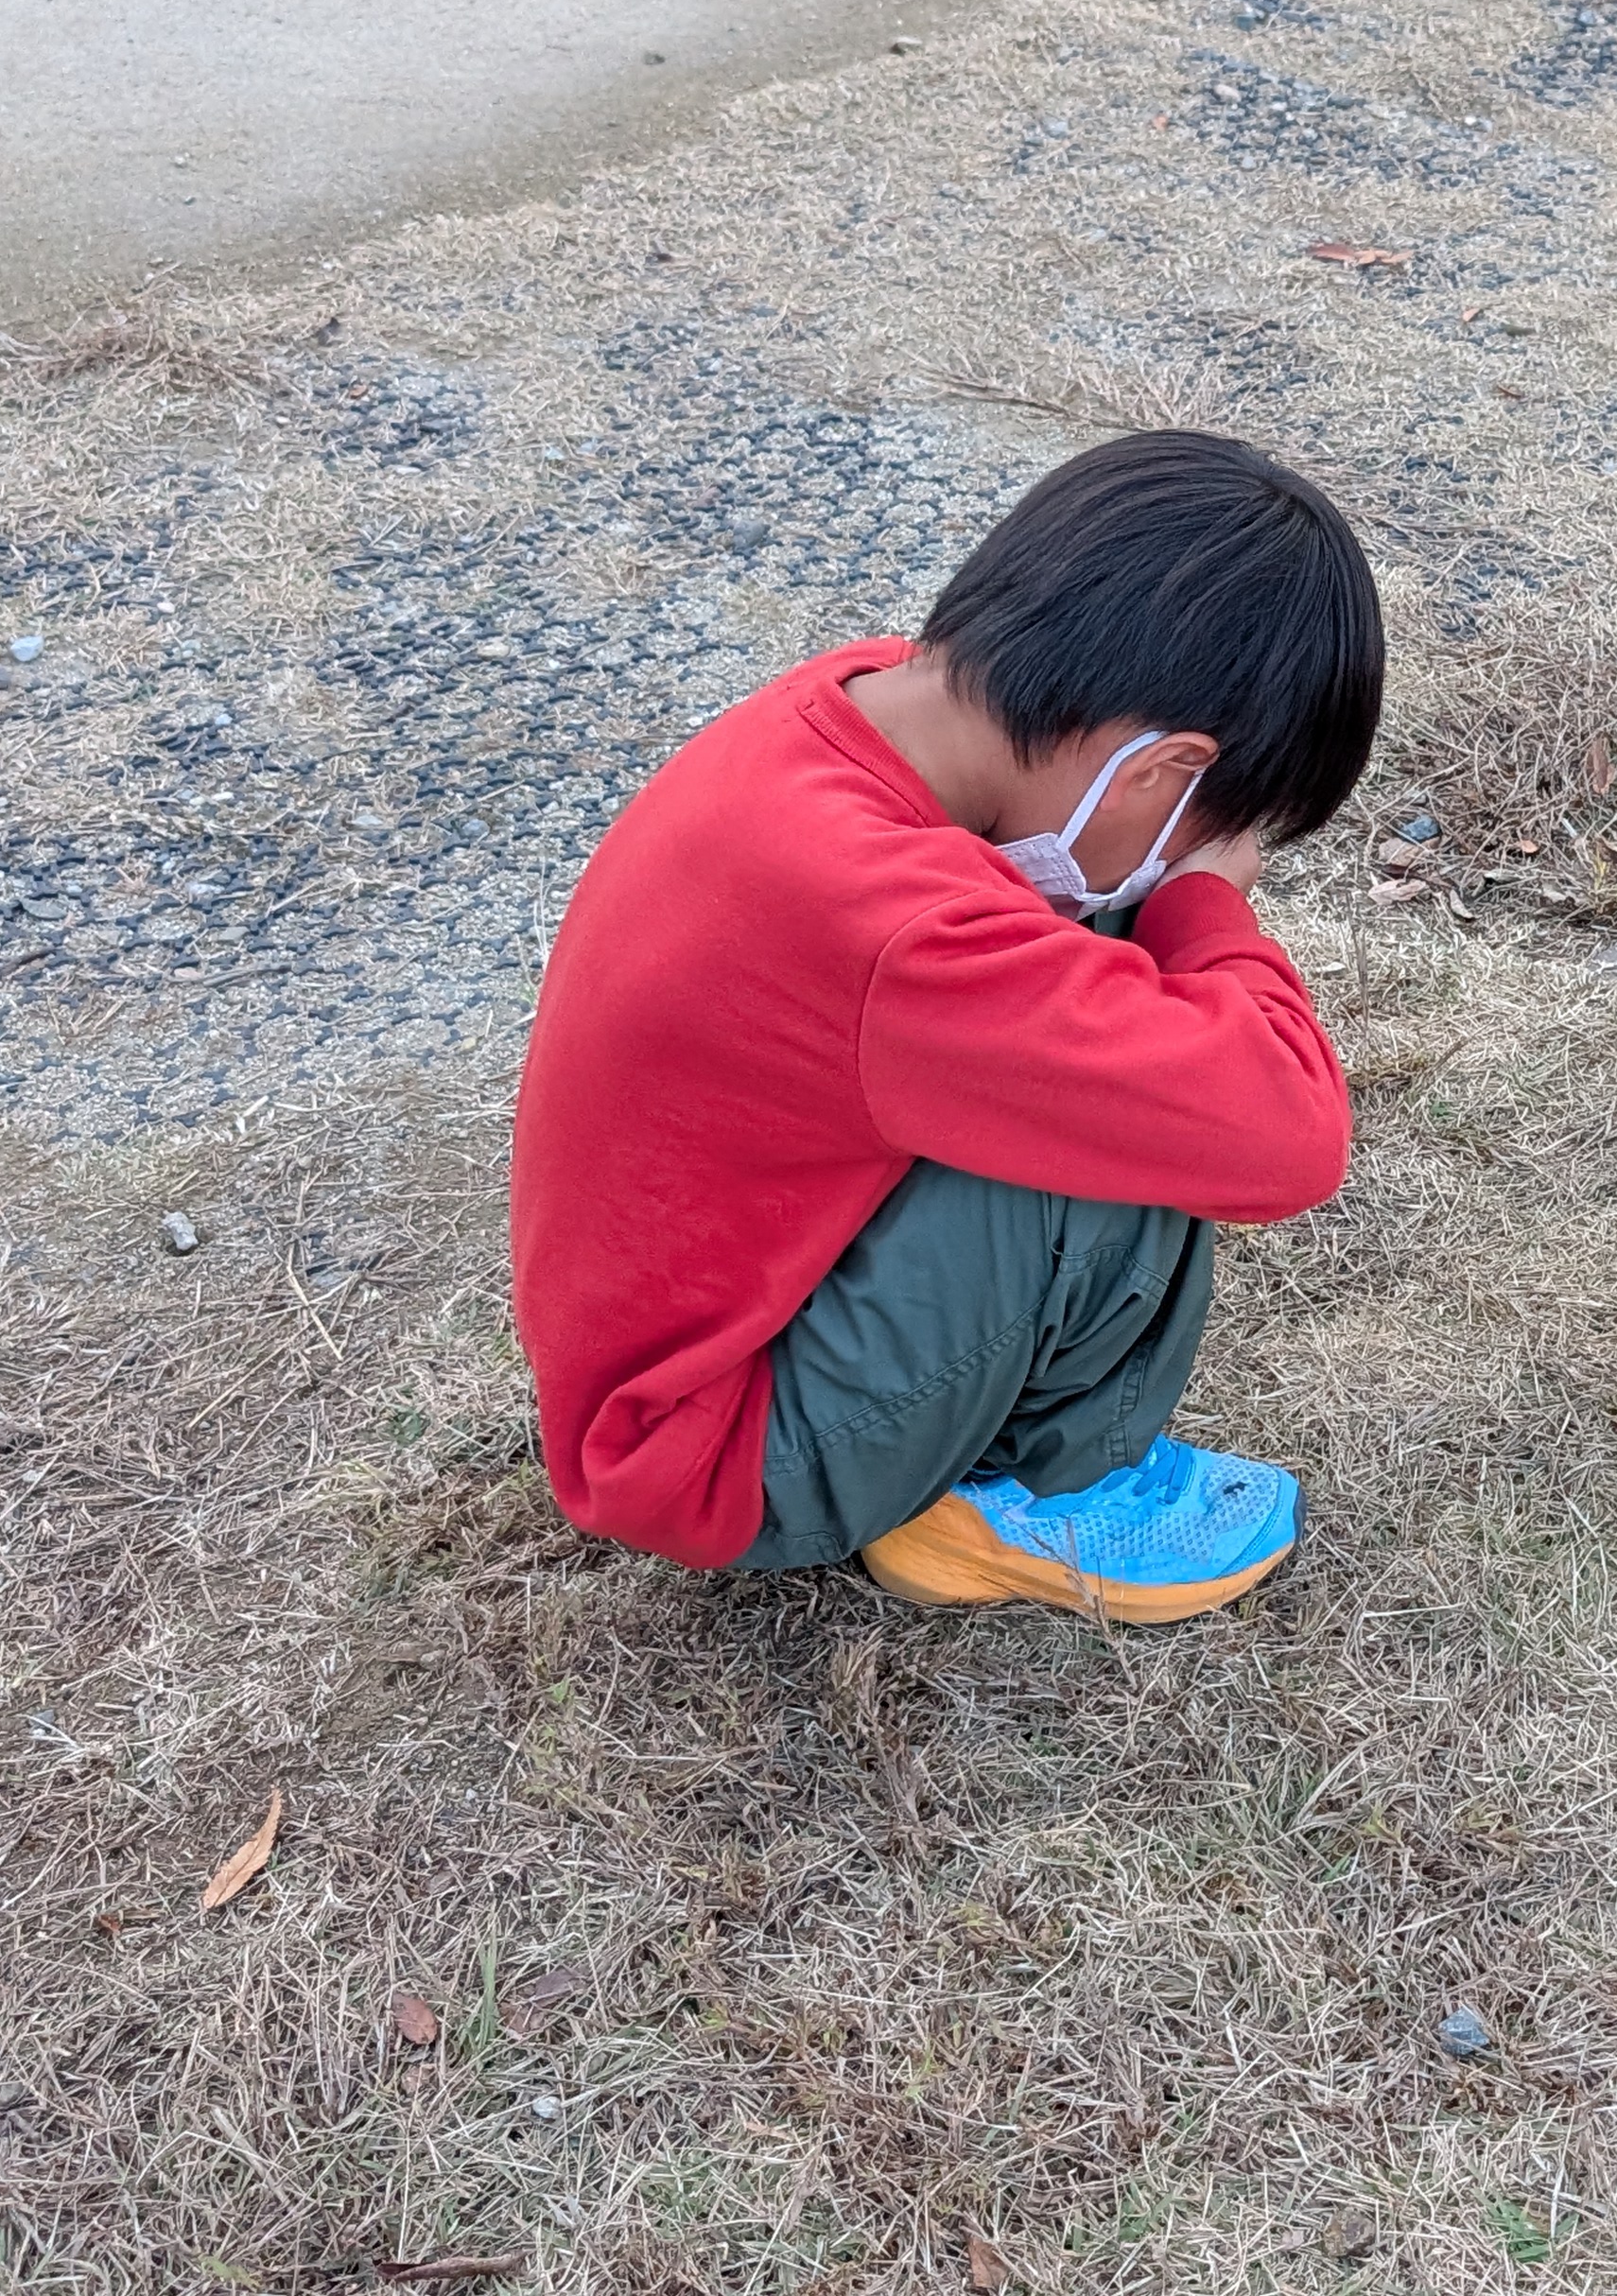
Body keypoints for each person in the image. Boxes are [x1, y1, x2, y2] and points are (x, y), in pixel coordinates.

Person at [509, 430, 1380, 1617]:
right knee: (1150, 1086)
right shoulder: (899, 928)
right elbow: (1282, 1132)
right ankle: (1022, 1493)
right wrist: (1202, 904)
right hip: (714, 1452)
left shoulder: (859, 703)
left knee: (1102, 985)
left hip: (676, 1354)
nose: (1206, 856)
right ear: (1156, 770)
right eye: (1214, 824)